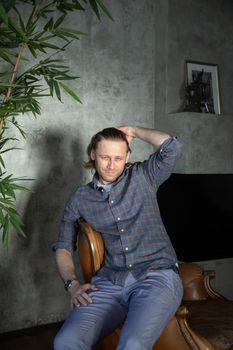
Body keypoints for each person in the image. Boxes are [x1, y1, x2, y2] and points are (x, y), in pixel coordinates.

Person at [51, 125, 183, 350]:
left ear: (127, 156)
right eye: (104, 157)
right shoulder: (81, 197)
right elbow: (63, 245)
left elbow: (172, 146)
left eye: (118, 158)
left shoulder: (143, 176)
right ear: (93, 154)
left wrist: (133, 130)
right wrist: (72, 285)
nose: (112, 165)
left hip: (157, 276)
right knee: (65, 342)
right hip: (111, 281)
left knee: (132, 345)